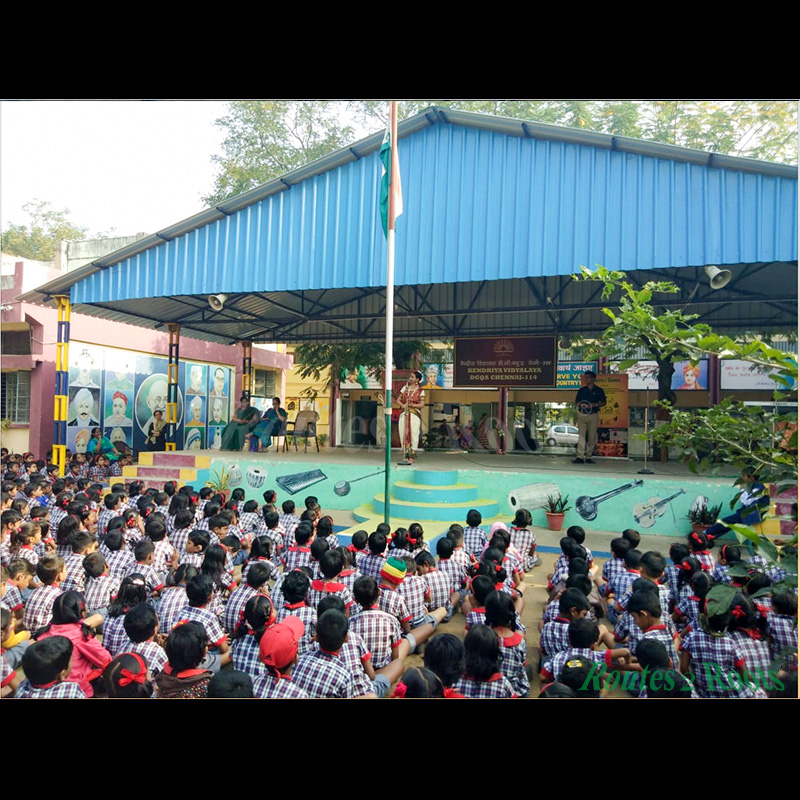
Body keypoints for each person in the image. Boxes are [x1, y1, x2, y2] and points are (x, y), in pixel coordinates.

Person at [704, 467, 770, 540]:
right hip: (747, 512)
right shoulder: (751, 486)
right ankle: (710, 536)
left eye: (744, 476)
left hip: (753, 513)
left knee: (726, 521)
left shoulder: (758, 489)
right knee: (728, 524)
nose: (742, 478)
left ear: (751, 478)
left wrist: (742, 489)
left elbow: (746, 502)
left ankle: (707, 533)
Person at [574, 370, 606, 464]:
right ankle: (579, 456)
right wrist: (581, 405)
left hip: (593, 414)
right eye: (585, 378)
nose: (586, 379)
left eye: (588, 378)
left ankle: (589, 456)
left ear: (593, 379)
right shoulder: (582, 390)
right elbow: (577, 402)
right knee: (582, 436)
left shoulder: (599, 390)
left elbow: (603, 402)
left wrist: (593, 405)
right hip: (582, 414)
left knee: (592, 436)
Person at [395, 370, 424, 464]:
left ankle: (411, 457)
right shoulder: (405, 388)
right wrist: (403, 405)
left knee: (413, 434)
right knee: (403, 433)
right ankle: (405, 455)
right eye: (410, 377)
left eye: (412, 377)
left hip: (414, 414)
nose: (410, 378)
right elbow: (398, 400)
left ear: (417, 379)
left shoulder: (420, 391)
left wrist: (412, 405)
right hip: (404, 413)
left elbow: (422, 404)